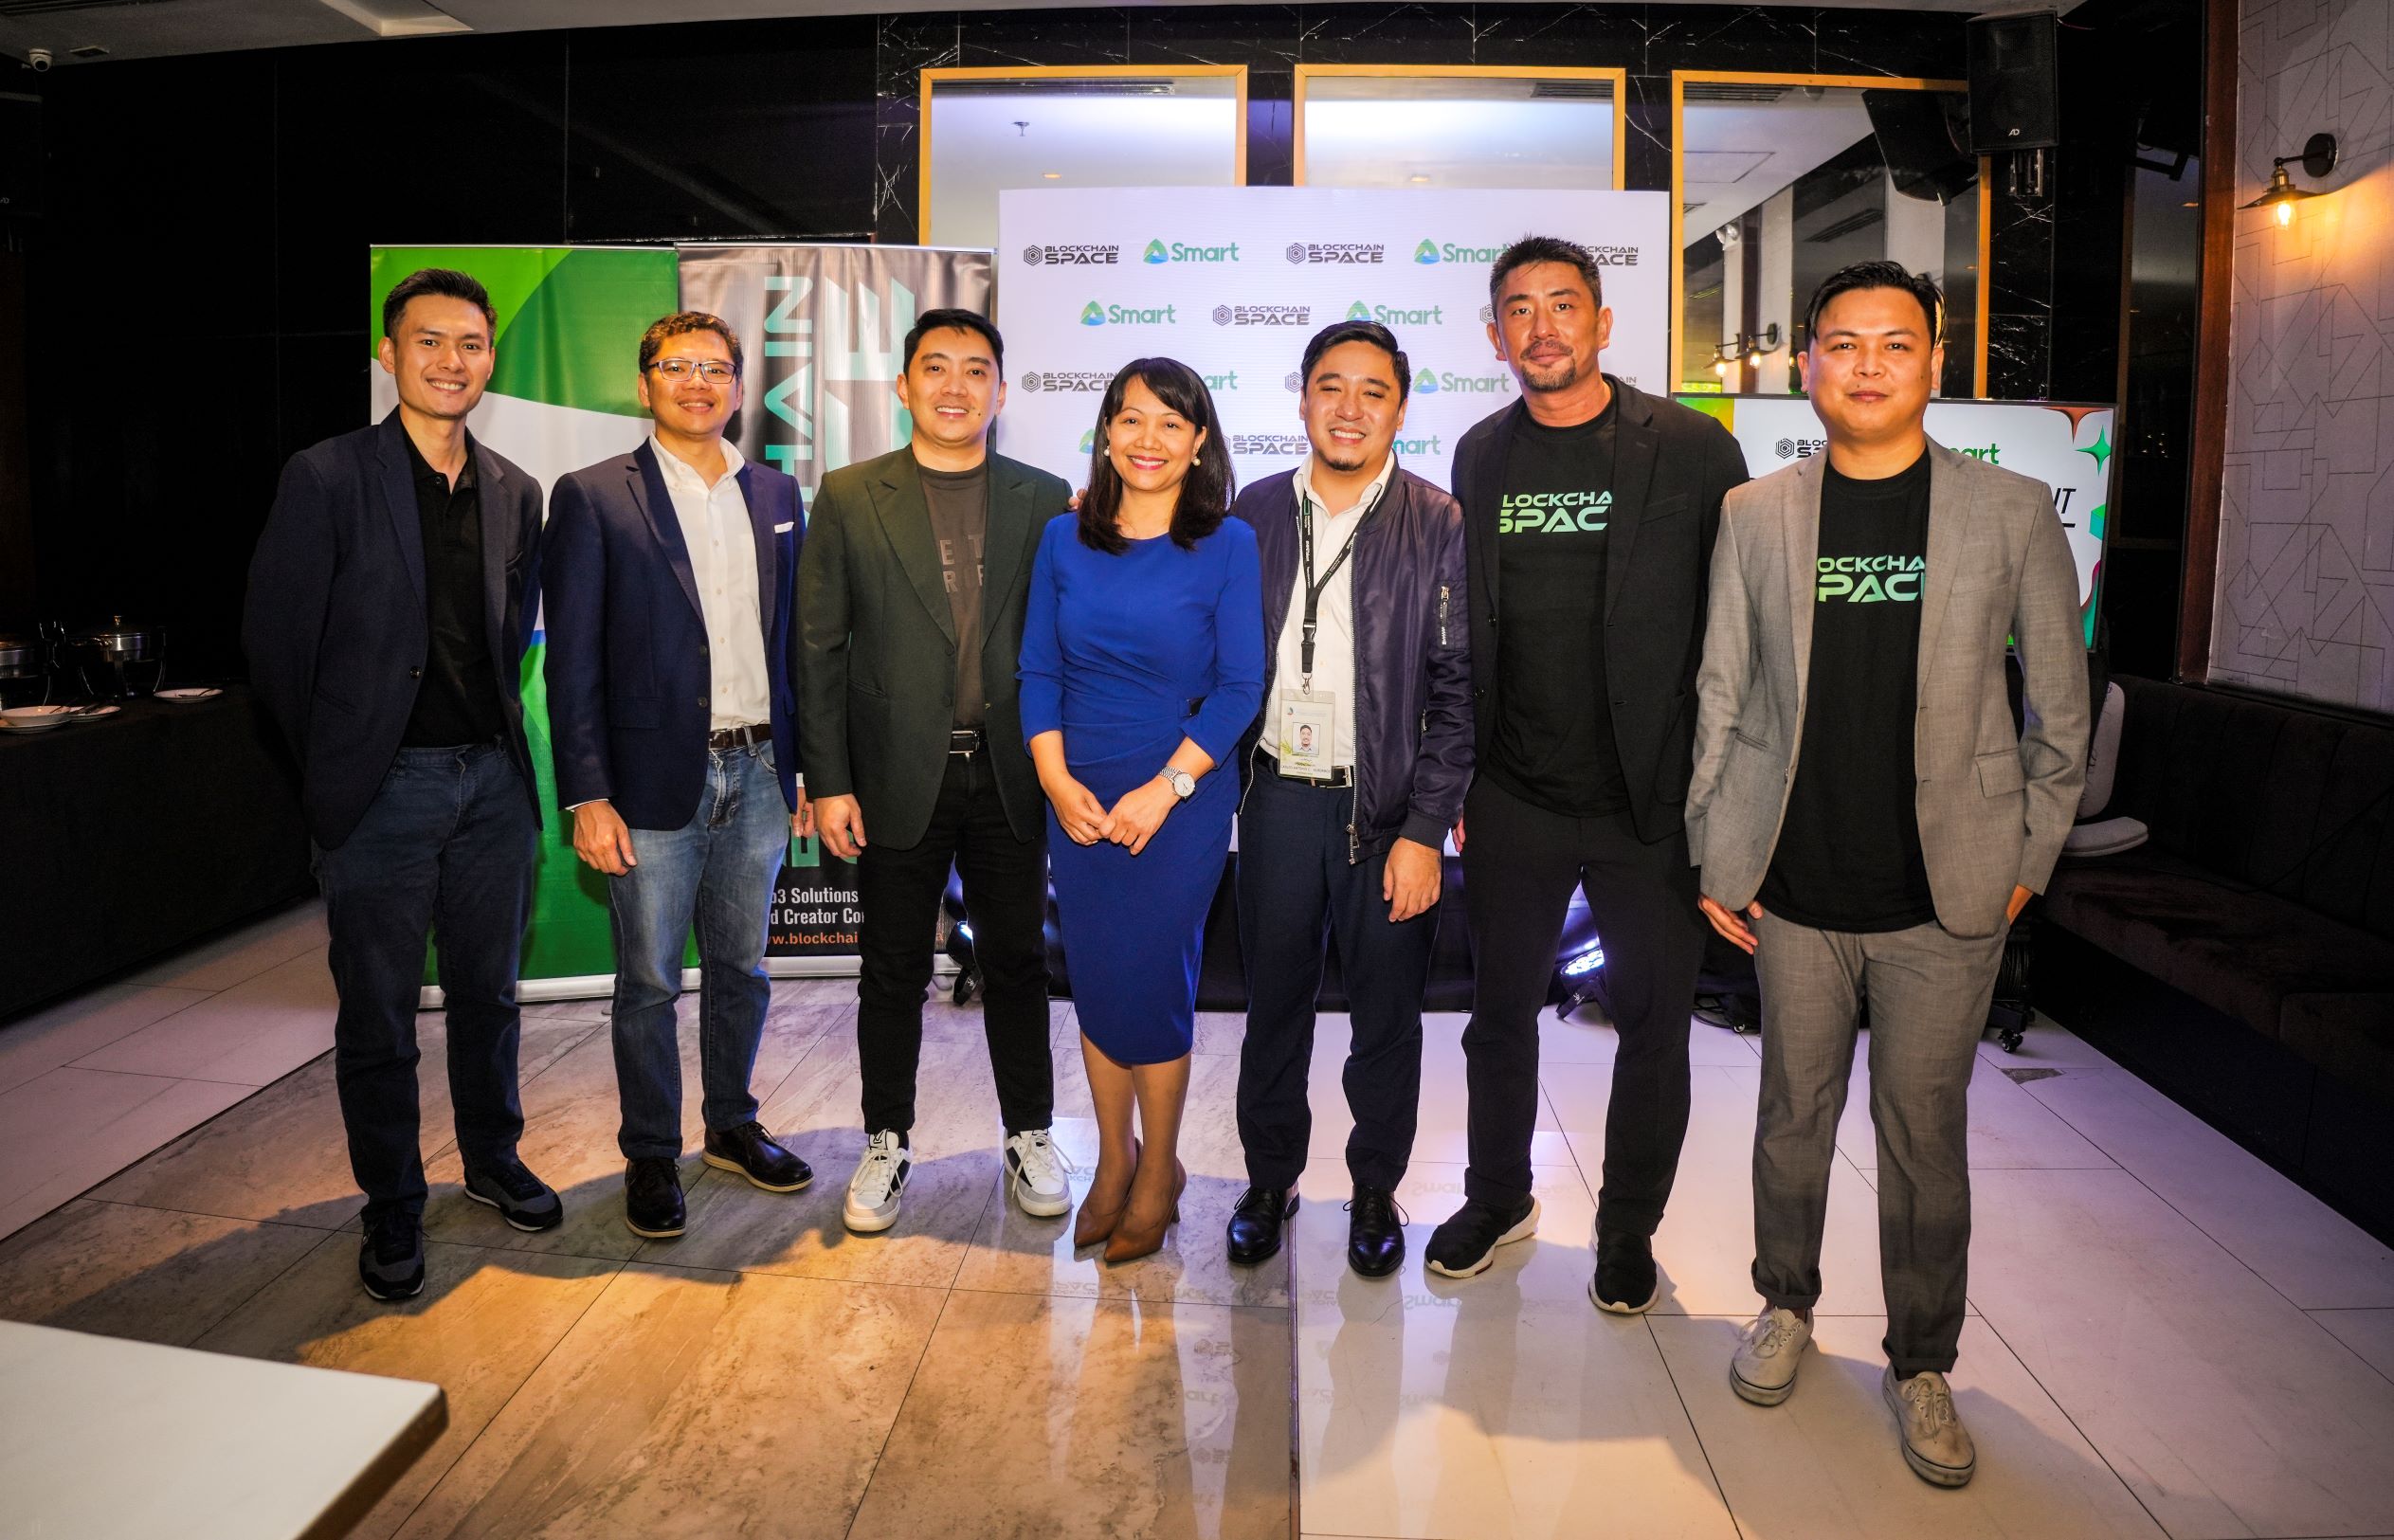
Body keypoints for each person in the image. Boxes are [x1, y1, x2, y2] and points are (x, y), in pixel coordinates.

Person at [1688, 262, 2088, 1488]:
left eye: (1892, 344)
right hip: (1793, 889)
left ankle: (1921, 1360)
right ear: (1804, 364)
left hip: (1946, 897)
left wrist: (2024, 863)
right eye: (1840, 343)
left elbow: (2057, 717)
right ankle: (1784, 1306)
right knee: (1788, 1122)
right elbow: (1722, 689)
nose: (1865, 364)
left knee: (1924, 1139)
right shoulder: (1754, 514)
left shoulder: (2011, 511)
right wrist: (1714, 841)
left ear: (1929, 362)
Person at [1428, 236, 1750, 1307]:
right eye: (1519, 310)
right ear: (1495, 336)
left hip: (1651, 803)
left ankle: (1627, 1228)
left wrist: (1725, 797)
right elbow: (1472, 621)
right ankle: (1498, 1192)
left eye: (1563, 305)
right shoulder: (1480, 454)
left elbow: (1735, 630)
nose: (1543, 328)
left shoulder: (1696, 450)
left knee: (1654, 1029)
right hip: (1514, 794)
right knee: (1498, 1015)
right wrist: (1463, 774)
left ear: (1603, 322)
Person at [245, 266, 559, 1301]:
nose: (450, 361)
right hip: (381, 790)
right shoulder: (328, 476)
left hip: (492, 786)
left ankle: (492, 1157)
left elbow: (512, 638)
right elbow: (279, 647)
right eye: (428, 342)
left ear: (491, 358)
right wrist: (340, 769)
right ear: (389, 354)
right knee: (377, 1015)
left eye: (469, 344)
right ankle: (391, 1202)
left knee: (488, 996)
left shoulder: (517, 488)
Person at [797, 308, 1072, 1233]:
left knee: (1019, 959)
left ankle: (1030, 1130)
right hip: (892, 774)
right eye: (936, 368)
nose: (956, 386)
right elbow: (819, 647)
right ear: (904, 386)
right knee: (892, 965)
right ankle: (886, 1136)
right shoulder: (846, 494)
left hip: (1010, 775)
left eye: (976, 370)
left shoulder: (1044, 496)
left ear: (1002, 390)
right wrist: (828, 779)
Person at [544, 311, 814, 1241]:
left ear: (740, 386)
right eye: (678, 365)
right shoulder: (592, 496)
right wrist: (586, 793)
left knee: (743, 965)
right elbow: (570, 658)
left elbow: (797, 645)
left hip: (763, 768)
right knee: (651, 978)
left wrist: (808, 762)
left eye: (717, 368)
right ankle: (651, 1151)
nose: (698, 381)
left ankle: (732, 1125)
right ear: (645, 381)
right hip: (653, 780)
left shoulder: (776, 492)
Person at [1224, 319, 1472, 1278]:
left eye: (1374, 390)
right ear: (1303, 398)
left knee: (1386, 1014)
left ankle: (1374, 1187)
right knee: (1273, 1006)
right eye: (1333, 385)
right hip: (1278, 800)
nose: (1351, 406)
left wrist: (1424, 829)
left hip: (1386, 814)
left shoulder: (1437, 521)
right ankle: (1269, 1178)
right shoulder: (1250, 513)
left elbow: (1456, 696)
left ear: (1400, 406)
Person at [1021, 357, 1264, 1264]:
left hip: (1178, 796)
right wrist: (1053, 776)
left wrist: (1167, 787)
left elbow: (1242, 685)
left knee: (1155, 982)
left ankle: (1159, 1169)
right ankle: (1113, 1160)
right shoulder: (1061, 538)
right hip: (1077, 794)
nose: (1148, 440)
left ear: (1199, 441)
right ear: (1107, 432)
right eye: (1131, 420)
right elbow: (1038, 668)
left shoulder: (1229, 543)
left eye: (1171, 423)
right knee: (1096, 976)